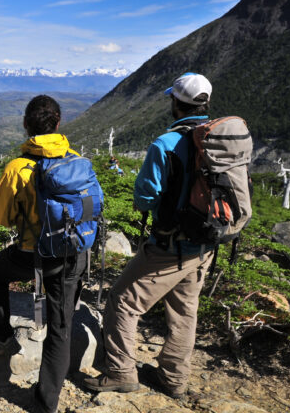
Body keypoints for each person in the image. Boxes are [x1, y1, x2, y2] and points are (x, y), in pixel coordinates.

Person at [83, 72, 218, 400]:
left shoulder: (166, 144)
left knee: (122, 300)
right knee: (185, 311)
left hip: (170, 246)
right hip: (206, 244)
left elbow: (144, 198)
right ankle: (174, 380)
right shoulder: (219, 137)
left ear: (176, 102)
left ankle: (120, 372)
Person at [0, 94, 88, 413]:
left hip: (34, 255)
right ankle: (46, 404)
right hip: (73, 253)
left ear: (26, 126)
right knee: (60, 326)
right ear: (58, 124)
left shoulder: (18, 167)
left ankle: (3, 340)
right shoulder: (75, 160)